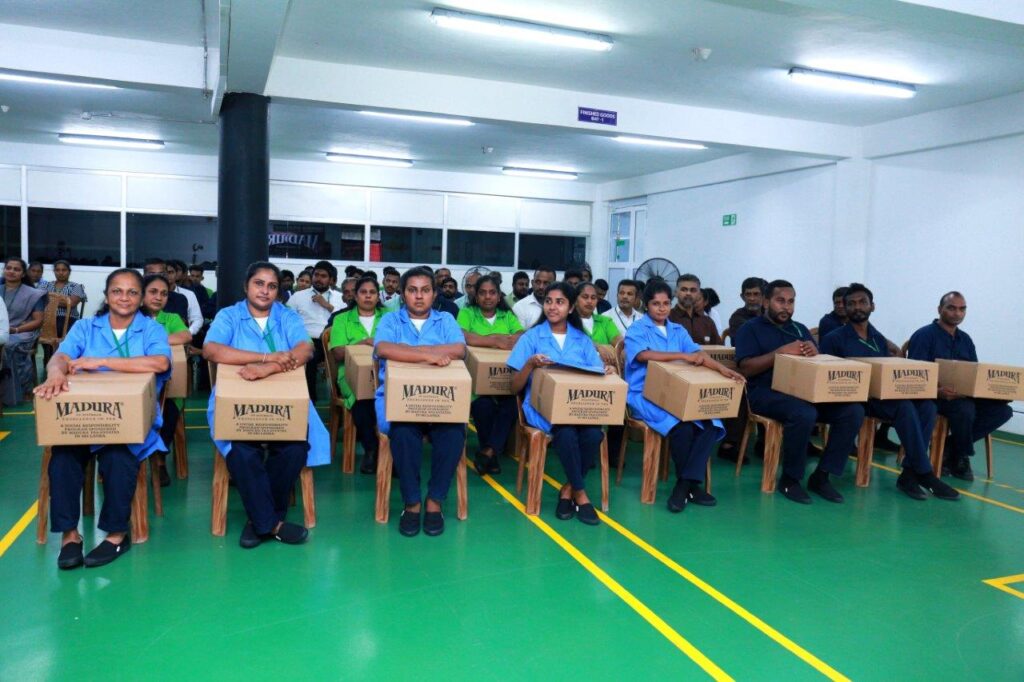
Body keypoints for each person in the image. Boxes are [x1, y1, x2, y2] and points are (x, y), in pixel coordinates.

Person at [34, 268, 171, 569]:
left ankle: (116, 535)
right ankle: (70, 536)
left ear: (140, 298)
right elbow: (61, 356)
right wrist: (55, 371)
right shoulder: (85, 328)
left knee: (118, 458)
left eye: (132, 292)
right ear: (107, 296)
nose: (124, 297)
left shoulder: (151, 330)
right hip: (83, 419)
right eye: (117, 291)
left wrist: (101, 362)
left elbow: (160, 362)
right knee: (64, 457)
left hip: (130, 423)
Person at [203, 261, 330, 548]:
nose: (265, 291)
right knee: (242, 451)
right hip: (238, 406)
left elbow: (305, 349)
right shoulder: (229, 316)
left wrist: (267, 369)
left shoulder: (286, 317)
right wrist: (265, 357)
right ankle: (271, 522)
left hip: (283, 404)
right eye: (259, 284)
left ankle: (260, 521)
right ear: (246, 286)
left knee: (295, 448)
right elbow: (212, 349)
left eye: (272, 286)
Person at [821, 284, 958, 500]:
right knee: (903, 406)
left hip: (882, 397)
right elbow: (826, 378)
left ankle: (909, 474)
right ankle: (924, 472)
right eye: (851, 303)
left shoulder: (878, 339)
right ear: (844, 308)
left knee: (927, 406)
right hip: (854, 398)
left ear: (872, 306)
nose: (857, 307)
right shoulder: (834, 339)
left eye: (862, 302)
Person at [734, 279, 865, 504]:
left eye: (791, 301)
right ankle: (790, 479)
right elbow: (745, 368)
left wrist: (814, 351)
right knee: (803, 413)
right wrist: (780, 353)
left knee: (853, 411)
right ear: (766, 302)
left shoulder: (800, 329)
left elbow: (816, 365)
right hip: (763, 392)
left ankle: (822, 476)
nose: (786, 306)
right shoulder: (750, 329)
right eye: (780, 301)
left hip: (803, 392)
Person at [625, 280, 745, 512]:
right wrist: (683, 356)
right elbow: (642, 356)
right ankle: (690, 486)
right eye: (655, 304)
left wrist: (723, 370)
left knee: (711, 424)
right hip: (647, 393)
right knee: (683, 427)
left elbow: (698, 354)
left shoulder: (678, 330)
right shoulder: (638, 330)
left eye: (665, 303)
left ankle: (685, 484)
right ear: (646, 306)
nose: (661, 308)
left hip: (678, 392)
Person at [508, 282, 615, 526]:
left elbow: (595, 376)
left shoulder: (582, 340)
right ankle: (581, 494)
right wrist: (530, 364)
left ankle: (568, 490)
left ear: (570, 308)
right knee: (565, 433)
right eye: (548, 301)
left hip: (579, 409)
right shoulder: (532, 337)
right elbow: (513, 386)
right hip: (541, 410)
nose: (552, 307)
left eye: (560, 302)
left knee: (592, 434)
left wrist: (606, 370)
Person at [374, 266, 467, 537]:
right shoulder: (391, 321)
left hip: (442, 402)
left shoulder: (446, 321)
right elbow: (383, 348)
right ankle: (412, 503)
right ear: (403, 294)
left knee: (453, 434)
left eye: (425, 290)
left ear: (434, 294)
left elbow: (459, 350)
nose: (419, 296)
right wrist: (428, 356)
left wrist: (408, 352)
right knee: (403, 433)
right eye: (412, 290)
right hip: (399, 402)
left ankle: (434, 501)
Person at [908, 291, 1013, 481]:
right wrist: (938, 391)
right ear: (940, 309)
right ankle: (961, 456)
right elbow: (914, 376)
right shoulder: (924, 335)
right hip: (933, 397)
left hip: (963, 396)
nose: (957, 313)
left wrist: (995, 393)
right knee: (965, 410)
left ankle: (950, 448)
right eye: (951, 308)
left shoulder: (966, 339)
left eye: (962, 309)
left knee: (1003, 411)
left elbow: (975, 374)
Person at [457, 274, 523, 475]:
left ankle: (488, 451)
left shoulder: (508, 316)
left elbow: (519, 337)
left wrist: (481, 339)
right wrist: (496, 340)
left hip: (505, 380)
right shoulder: (467, 313)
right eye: (482, 293)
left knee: (510, 406)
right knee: (483, 406)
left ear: (498, 295)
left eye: (492, 292)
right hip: (475, 382)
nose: (488, 297)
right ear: (475, 296)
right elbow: (463, 336)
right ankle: (491, 453)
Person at [328, 275, 387, 474]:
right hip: (350, 374)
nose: (368, 297)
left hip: (385, 372)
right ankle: (372, 449)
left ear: (378, 296)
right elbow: (337, 353)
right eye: (363, 292)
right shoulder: (341, 318)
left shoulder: (390, 316)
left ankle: (392, 452)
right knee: (362, 398)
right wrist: (363, 343)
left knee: (391, 396)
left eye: (372, 292)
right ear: (356, 295)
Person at [140, 273, 192, 488]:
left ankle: (160, 462)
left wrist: (152, 342)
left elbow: (185, 336)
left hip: (166, 387)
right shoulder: (132, 318)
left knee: (169, 408)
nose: (158, 297)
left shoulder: (171, 319)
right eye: (153, 292)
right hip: (138, 383)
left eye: (163, 294)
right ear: (141, 294)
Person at [287, 260, 340, 401]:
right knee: (308, 359)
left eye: (323, 276)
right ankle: (310, 403)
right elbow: (286, 317)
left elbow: (343, 317)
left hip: (333, 340)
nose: (318, 279)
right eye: (316, 275)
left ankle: (340, 403)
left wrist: (326, 305)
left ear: (331, 280)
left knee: (343, 362)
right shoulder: (299, 296)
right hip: (308, 340)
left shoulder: (339, 298)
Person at [2, 258, 46, 406]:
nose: (11, 271)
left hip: (22, 332)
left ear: (22, 274)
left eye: (16, 269)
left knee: (6, 346)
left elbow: (38, 321)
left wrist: (15, 329)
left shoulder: (33, 294)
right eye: (8, 268)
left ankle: (16, 392)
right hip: (2, 330)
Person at [575, 282, 621, 366]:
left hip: (607, 370)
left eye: (593, 298)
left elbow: (619, 344)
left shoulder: (605, 321)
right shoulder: (568, 321)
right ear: (575, 300)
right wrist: (598, 347)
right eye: (585, 297)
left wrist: (615, 352)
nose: (589, 301)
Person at [669, 274, 722, 345]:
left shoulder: (707, 322)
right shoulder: (666, 319)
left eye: (693, 290)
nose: (688, 293)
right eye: (684, 289)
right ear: (676, 293)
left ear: (698, 294)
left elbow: (719, 350)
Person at [143, 259, 189, 329]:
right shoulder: (136, 298)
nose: (157, 278)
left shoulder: (179, 299)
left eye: (161, 274)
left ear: (166, 275)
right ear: (144, 276)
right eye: (152, 274)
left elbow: (180, 329)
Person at [165, 260, 203, 335]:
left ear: (176, 274)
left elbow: (197, 319)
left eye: (170, 272)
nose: (167, 275)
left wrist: (188, 333)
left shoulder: (189, 294)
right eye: (164, 272)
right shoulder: (153, 295)